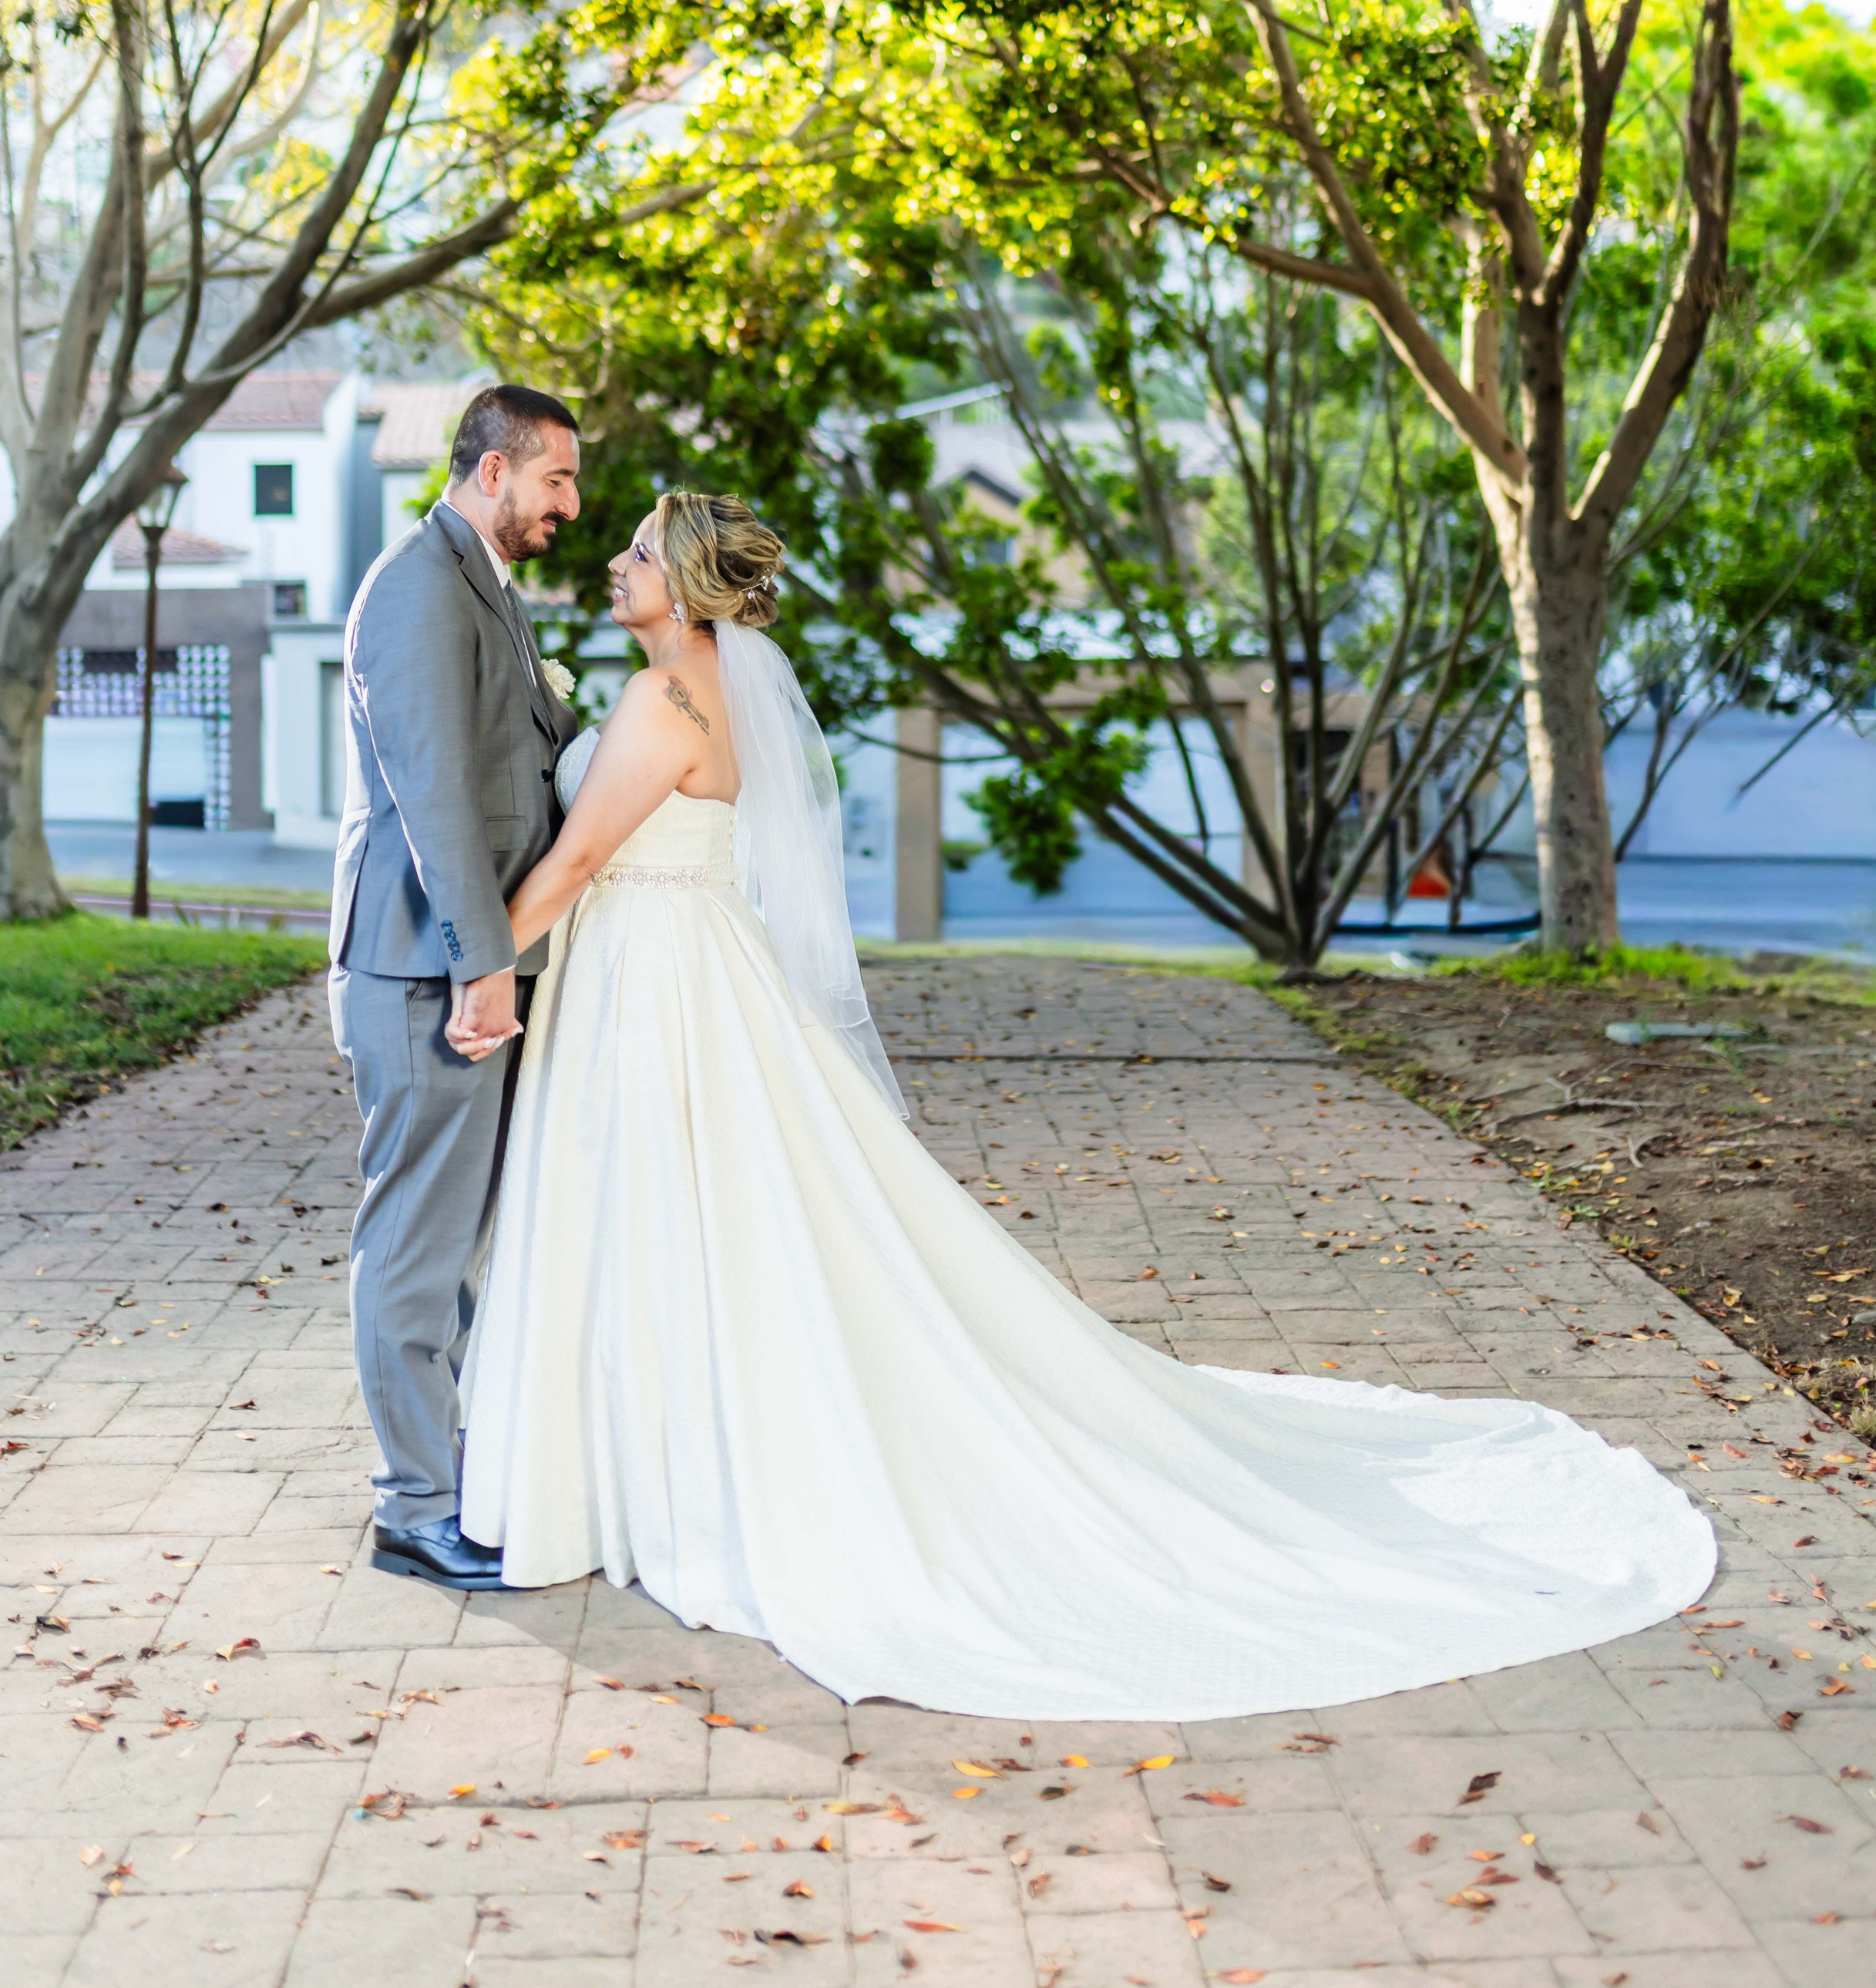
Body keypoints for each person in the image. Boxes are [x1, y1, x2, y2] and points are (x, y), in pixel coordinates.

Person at [455, 489, 1715, 1716]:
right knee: (709, 1221)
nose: (616, 563)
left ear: (682, 585)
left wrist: (474, 967)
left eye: (635, 551)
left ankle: (659, 1467)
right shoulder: (722, 693)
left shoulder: (660, 696)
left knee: (669, 1216)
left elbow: (576, 859)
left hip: (661, 984)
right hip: (687, 971)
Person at [328, 382, 580, 1590]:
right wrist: (482, 962)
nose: (570, 504)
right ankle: (413, 1508)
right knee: (417, 1249)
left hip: (468, 969)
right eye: (558, 480)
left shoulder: (481, 580)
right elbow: (431, 790)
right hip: (426, 971)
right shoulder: (419, 587)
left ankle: (451, 1472)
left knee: (459, 1248)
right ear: (494, 470)